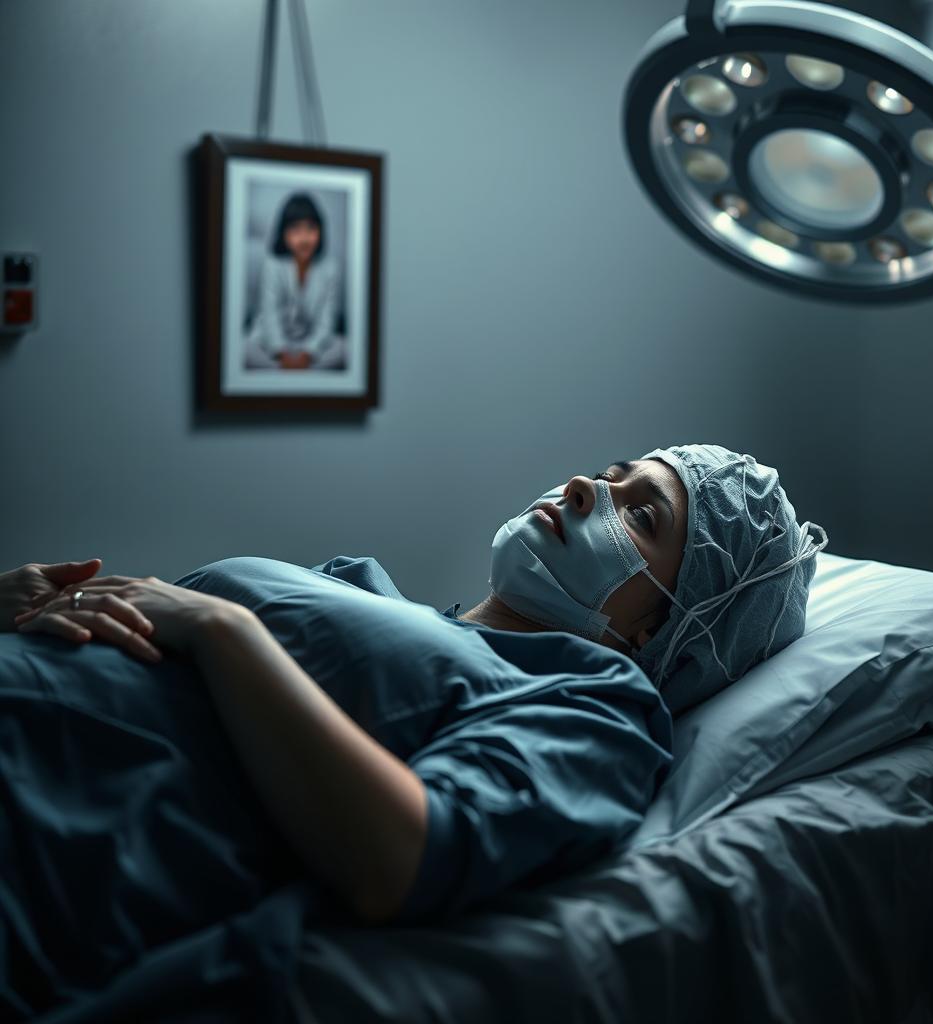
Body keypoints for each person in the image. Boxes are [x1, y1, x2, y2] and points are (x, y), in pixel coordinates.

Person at [0, 444, 825, 1017]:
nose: (583, 487)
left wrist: (225, 631)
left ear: (665, 631)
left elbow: (400, 857)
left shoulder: (594, 703)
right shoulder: (362, 586)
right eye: (610, 476)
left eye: (639, 514)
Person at [243, 192, 349, 371]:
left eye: (311, 229)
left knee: (347, 349)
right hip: (270, 344)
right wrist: (282, 353)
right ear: (283, 233)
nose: (304, 238)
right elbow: (270, 316)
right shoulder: (273, 264)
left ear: (320, 231)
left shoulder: (330, 267)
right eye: (295, 229)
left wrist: (308, 353)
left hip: (311, 345)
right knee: (242, 349)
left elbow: (326, 321)